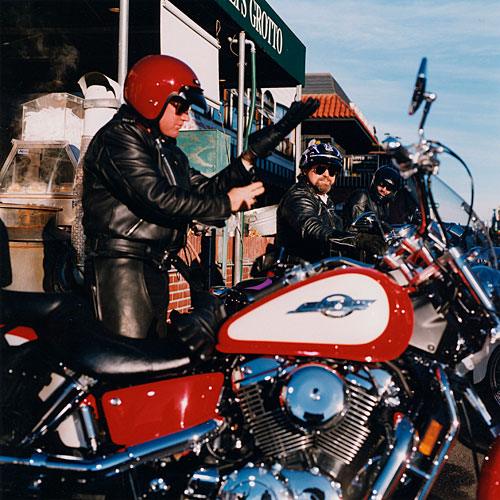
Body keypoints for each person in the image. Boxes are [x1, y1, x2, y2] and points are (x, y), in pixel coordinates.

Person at [82, 54, 318, 340]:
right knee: (129, 359)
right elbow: (159, 198)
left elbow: (205, 190)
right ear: (151, 98)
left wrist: (257, 150)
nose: (186, 116)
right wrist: (227, 203)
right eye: (180, 107)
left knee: (156, 357)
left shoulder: (167, 151)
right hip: (120, 269)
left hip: (152, 267)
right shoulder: (119, 139)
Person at [275, 142, 386, 264]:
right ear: (305, 170)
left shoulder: (325, 200)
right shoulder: (298, 196)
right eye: (320, 169)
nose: (326, 175)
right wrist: (358, 240)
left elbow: (336, 233)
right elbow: (312, 228)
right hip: (299, 271)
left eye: (332, 171)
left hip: (321, 268)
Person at [342, 165, 402, 231]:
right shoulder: (361, 196)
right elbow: (353, 230)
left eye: (389, 188)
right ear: (375, 182)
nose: (384, 189)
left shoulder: (383, 204)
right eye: (382, 184)